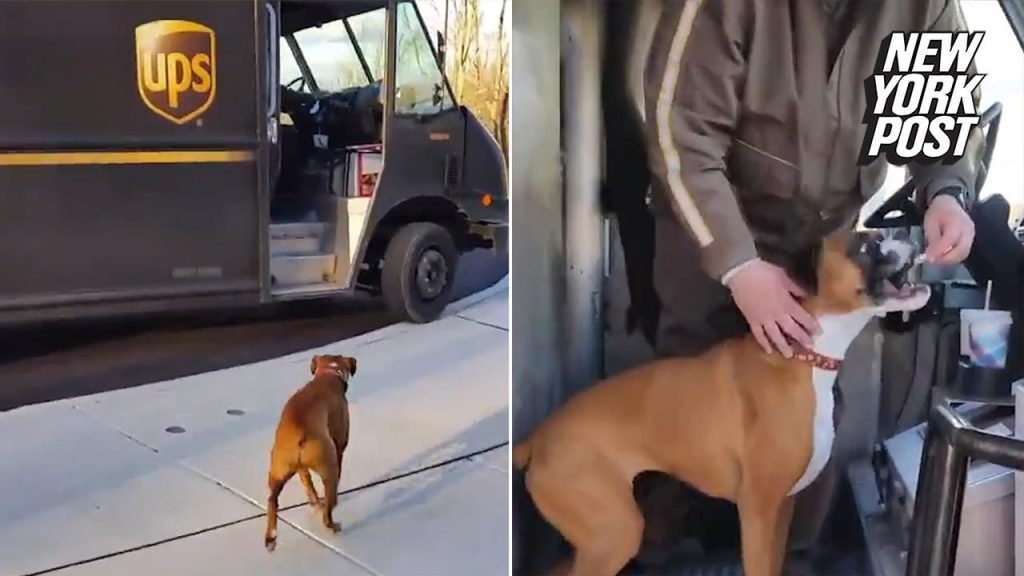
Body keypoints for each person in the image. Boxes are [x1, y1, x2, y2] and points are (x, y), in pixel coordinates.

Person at [635, 0, 982, 565]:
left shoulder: (928, 6)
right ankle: (665, 552)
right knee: (686, 403)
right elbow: (682, 140)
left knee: (815, 407)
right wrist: (739, 266)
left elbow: (938, 116)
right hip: (714, 225)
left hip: (823, 238)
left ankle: (791, 555)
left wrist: (947, 190)